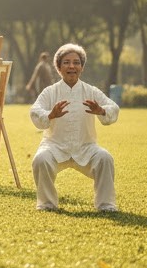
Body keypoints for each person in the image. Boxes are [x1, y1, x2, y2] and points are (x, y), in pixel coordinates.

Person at [29, 43, 119, 212]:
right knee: (41, 159)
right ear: (59, 67)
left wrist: (101, 110)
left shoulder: (91, 91)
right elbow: (35, 111)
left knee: (105, 158)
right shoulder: (50, 92)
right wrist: (50, 115)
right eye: (66, 62)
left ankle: (106, 205)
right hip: (55, 146)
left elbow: (113, 108)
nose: (72, 66)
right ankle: (47, 204)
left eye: (76, 62)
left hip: (86, 147)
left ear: (82, 67)